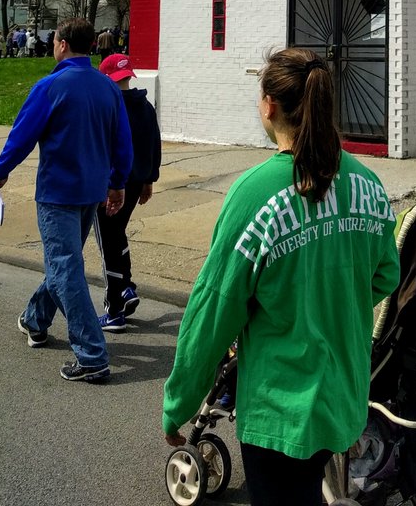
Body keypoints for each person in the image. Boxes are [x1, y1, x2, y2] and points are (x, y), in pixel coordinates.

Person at [162, 46, 400, 506]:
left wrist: (179, 404)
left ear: (269, 106)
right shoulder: (368, 184)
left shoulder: (255, 194)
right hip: (342, 394)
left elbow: (214, 310)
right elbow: (385, 274)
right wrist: (330, 301)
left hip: (280, 407)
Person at [0, 17, 133, 383]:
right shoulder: (108, 88)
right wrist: (117, 184)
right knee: (63, 262)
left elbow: (22, 134)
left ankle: (92, 354)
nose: (53, 45)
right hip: (92, 191)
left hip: (58, 192)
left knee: (65, 267)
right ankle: (35, 320)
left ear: (63, 44)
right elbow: (122, 142)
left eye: (54, 40)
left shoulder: (51, 86)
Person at [94, 53, 162, 330]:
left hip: (112, 184)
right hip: (136, 182)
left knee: (108, 241)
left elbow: (105, 148)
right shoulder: (144, 105)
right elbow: (154, 145)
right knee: (117, 232)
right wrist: (149, 179)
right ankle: (126, 287)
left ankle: (114, 309)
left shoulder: (109, 108)